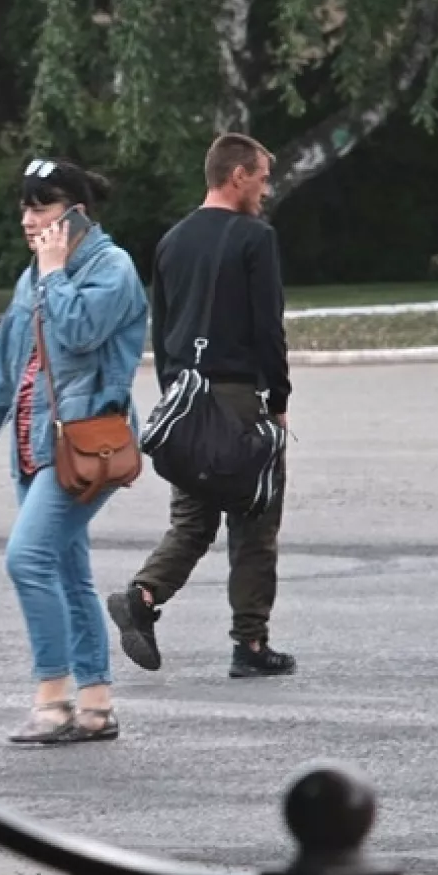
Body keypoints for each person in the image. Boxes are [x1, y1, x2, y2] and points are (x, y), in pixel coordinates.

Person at [0, 158, 148, 745]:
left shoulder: (111, 268)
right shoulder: (40, 272)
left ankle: (53, 698)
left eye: (42, 207)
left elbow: (81, 332)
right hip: (35, 448)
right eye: (26, 207)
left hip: (87, 448)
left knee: (26, 559)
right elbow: (10, 363)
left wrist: (55, 273)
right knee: (66, 569)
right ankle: (97, 704)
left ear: (75, 212)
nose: (28, 220)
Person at [106, 133, 296, 680]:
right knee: (255, 520)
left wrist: (175, 395)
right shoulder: (256, 238)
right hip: (240, 398)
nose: (265, 187)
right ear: (236, 175)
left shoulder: (171, 241)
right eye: (261, 176)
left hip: (184, 399)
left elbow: (161, 327)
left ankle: (142, 596)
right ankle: (251, 645)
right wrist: (278, 399)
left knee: (191, 520)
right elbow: (267, 327)